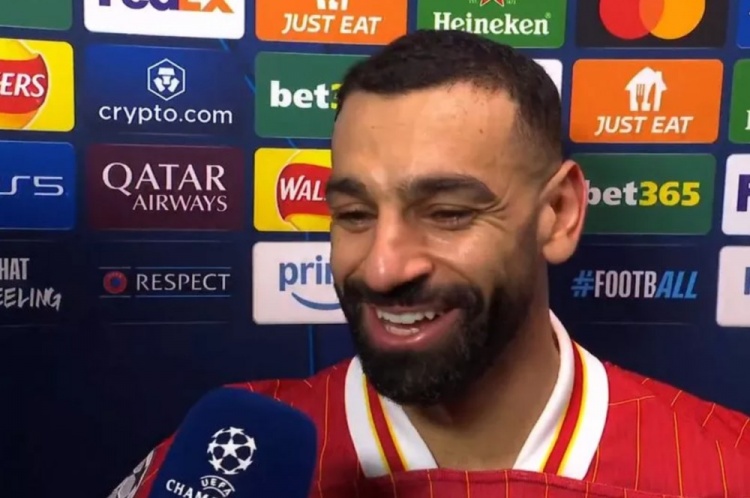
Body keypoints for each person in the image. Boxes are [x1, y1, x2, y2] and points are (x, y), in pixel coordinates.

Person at [108, 30, 750, 497]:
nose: (383, 268)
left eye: (447, 213)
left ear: (557, 214)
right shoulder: (220, 463)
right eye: (355, 214)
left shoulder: (727, 466)